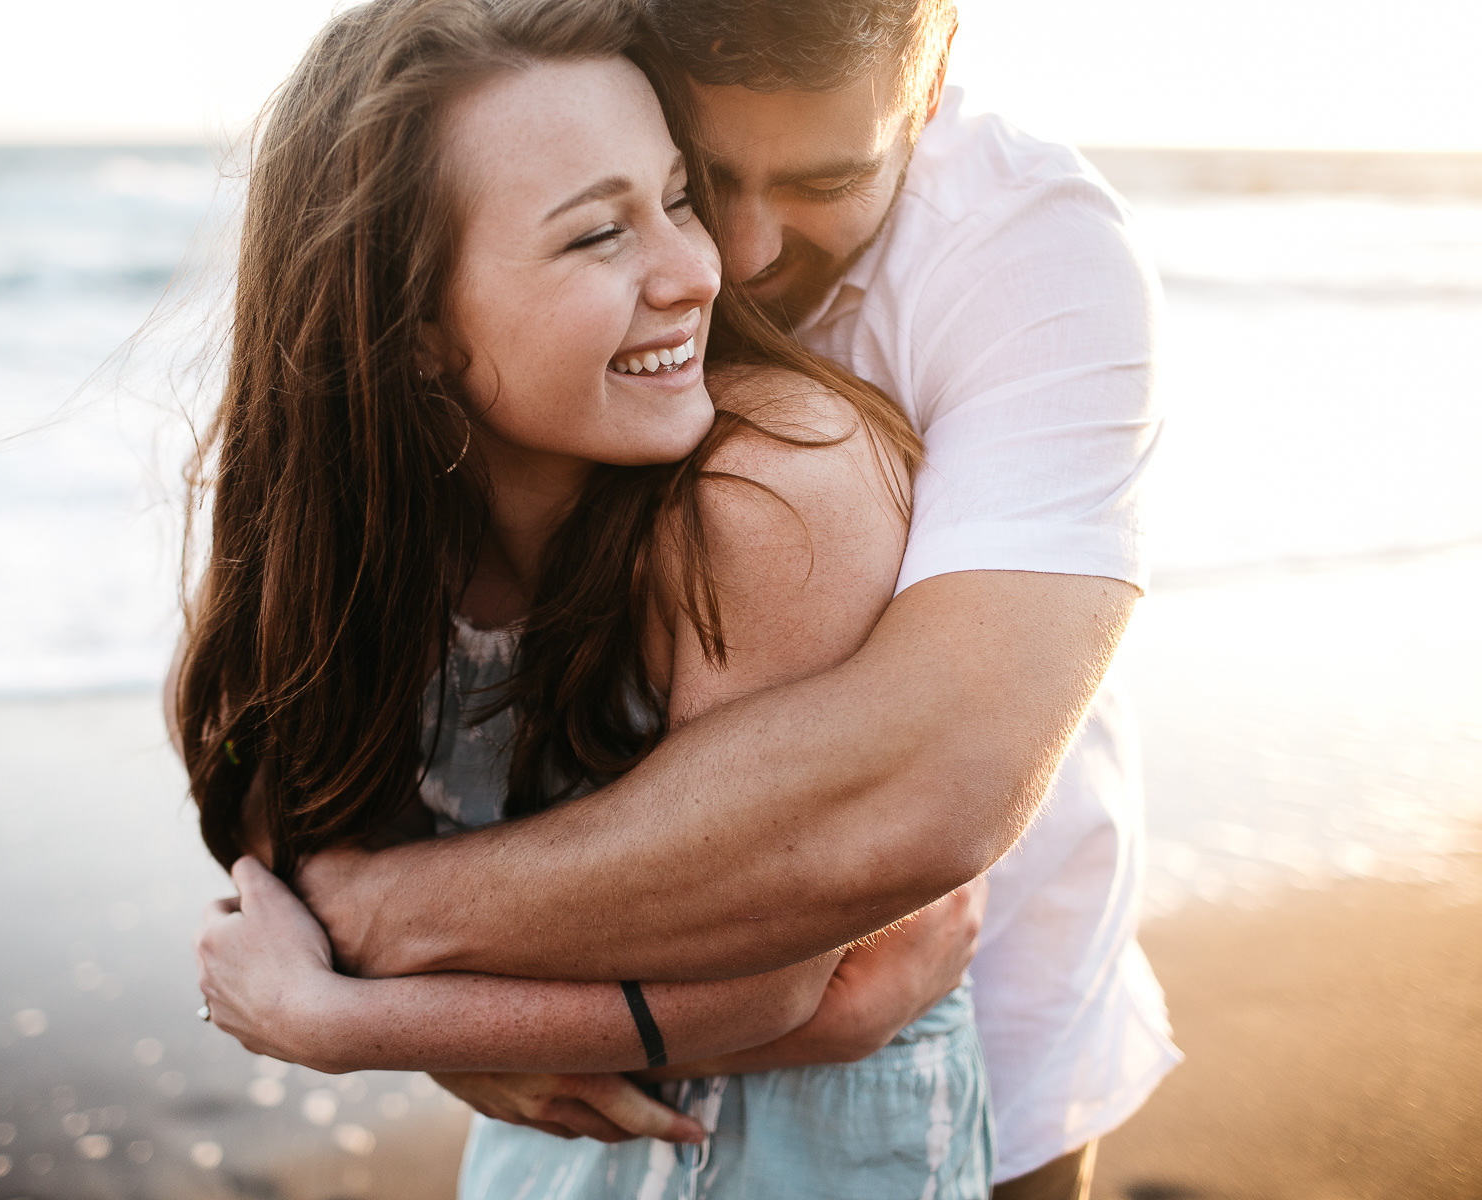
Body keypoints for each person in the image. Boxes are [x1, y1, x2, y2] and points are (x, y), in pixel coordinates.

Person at [202, 0, 1181, 1197]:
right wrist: (440, 1027)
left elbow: (925, 800)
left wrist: (369, 957)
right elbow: (263, 762)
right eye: (705, 180)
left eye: (825, 180)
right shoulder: (556, 180)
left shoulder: (1018, 263)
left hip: (956, 951)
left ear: (927, 95)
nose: (740, 258)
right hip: (602, 1066)